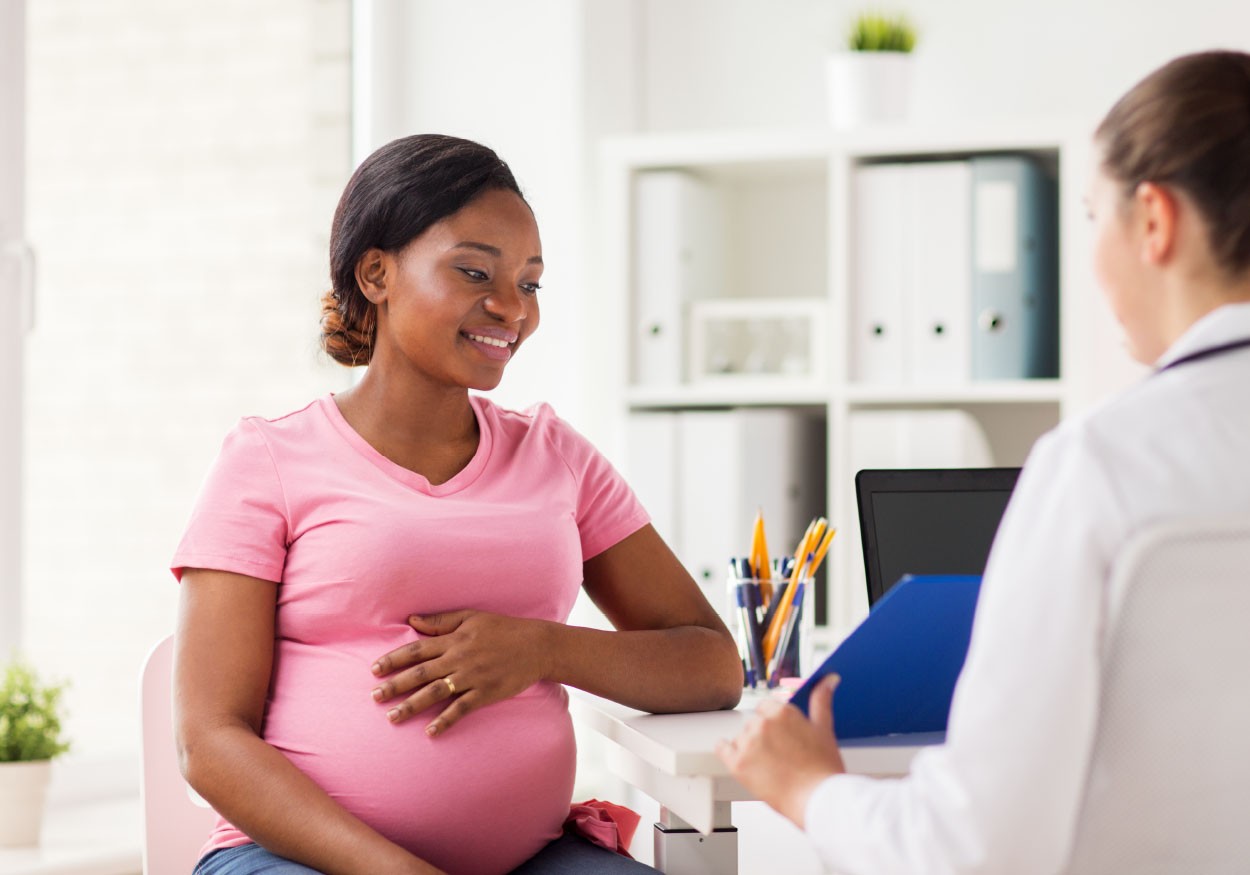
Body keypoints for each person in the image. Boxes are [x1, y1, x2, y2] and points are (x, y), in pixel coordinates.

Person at [716, 49, 1250, 874]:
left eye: (1089, 215)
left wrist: (808, 787)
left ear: (1154, 220)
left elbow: (971, 851)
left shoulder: (1100, 464)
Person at [172, 133, 743, 875]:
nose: (512, 309)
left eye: (531, 283)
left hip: (531, 860)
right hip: (295, 859)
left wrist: (543, 646)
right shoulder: (268, 460)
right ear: (376, 272)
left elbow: (711, 663)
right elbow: (209, 739)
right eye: (475, 271)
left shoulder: (556, 457)